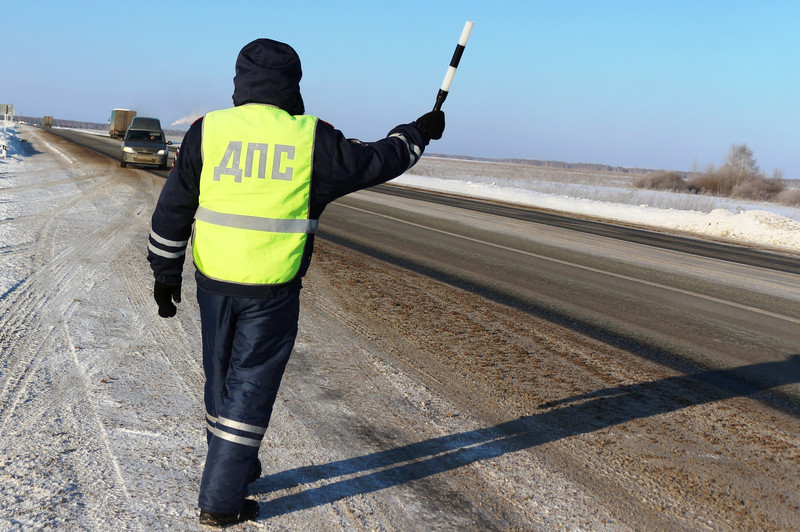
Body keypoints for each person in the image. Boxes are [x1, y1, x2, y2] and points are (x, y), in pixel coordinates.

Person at [147, 38, 444, 527]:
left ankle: (234, 468)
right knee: (249, 389)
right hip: (272, 289)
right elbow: (376, 160)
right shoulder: (312, 139)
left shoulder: (209, 130)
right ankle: (221, 500)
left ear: (240, 81)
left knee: (221, 381)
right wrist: (417, 133)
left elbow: (174, 204)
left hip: (214, 282)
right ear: (293, 85)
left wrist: (164, 269)